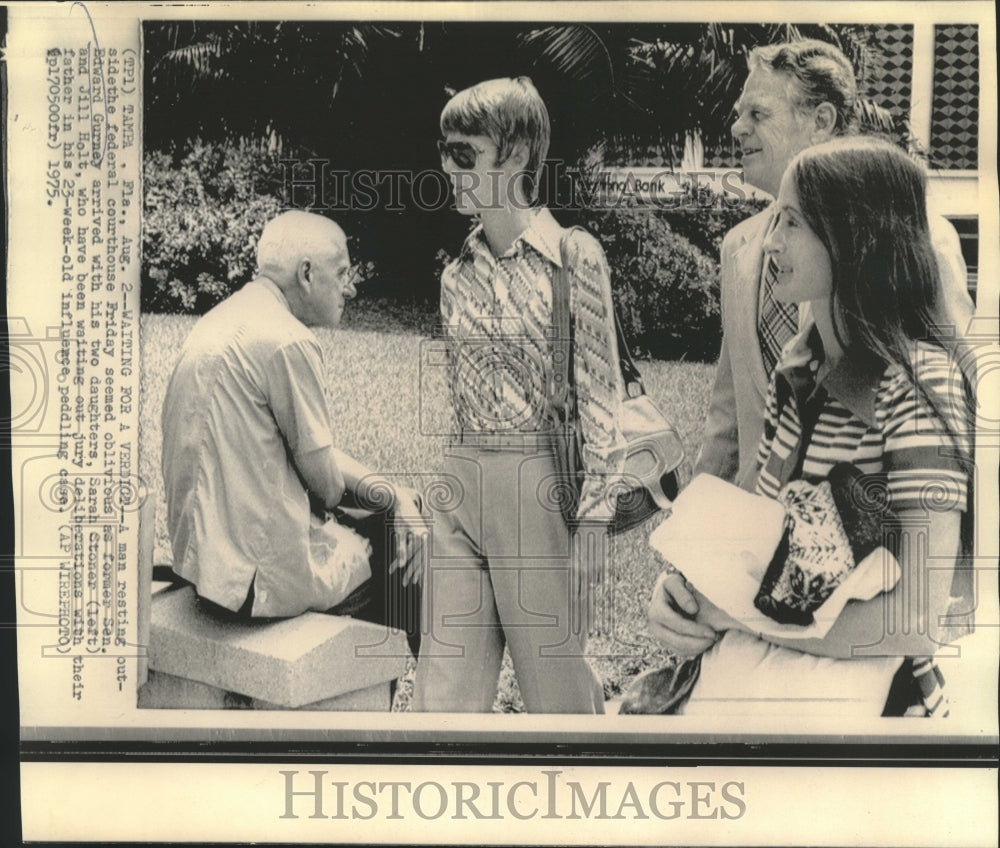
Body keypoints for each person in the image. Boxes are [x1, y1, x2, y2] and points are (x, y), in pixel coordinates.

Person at [659, 39, 976, 660]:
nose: (736, 126)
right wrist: (692, 568)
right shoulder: (742, 249)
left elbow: (948, 426)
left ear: (821, 120)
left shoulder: (912, 235)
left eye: (758, 113)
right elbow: (728, 426)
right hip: (772, 565)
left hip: (871, 614)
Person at [412, 77, 628, 713]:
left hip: (540, 485)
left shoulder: (572, 256)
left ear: (514, 155)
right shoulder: (456, 274)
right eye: (444, 150)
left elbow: (601, 396)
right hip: (461, 482)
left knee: (557, 690)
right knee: (442, 693)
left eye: (463, 152)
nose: (447, 167)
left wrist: (593, 521)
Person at [161, 210, 424, 656]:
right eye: (341, 273)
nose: (351, 287)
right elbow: (327, 486)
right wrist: (399, 501)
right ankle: (394, 704)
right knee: (401, 537)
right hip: (250, 588)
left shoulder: (219, 320)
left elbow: (306, 453)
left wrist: (391, 491)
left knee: (390, 502)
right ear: (306, 274)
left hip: (201, 565)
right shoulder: (289, 341)